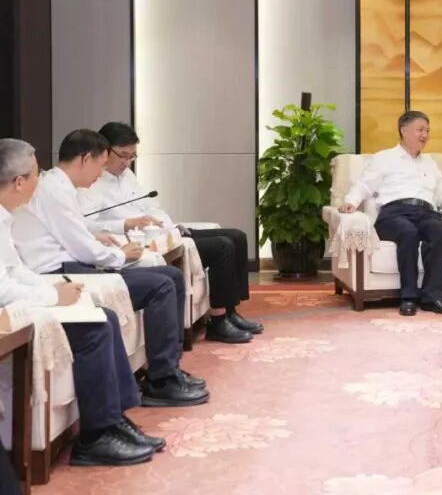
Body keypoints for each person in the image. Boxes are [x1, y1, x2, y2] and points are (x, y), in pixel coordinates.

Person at [11, 130, 208, 406]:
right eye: (100, 165)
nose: (101, 173)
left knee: (171, 276)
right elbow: (81, 247)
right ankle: (162, 379)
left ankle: (168, 368)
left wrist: (99, 240)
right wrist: (120, 255)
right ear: (85, 159)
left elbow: (75, 234)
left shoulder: (60, 188)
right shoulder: (53, 190)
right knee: (161, 285)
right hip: (61, 271)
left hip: (73, 264)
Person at [0, 138, 165, 466]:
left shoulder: (6, 216)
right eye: (36, 174)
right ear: (19, 182)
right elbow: (3, 290)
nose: (40, 180)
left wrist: (54, 288)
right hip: (9, 318)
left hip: (23, 299)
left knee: (103, 317)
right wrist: (52, 296)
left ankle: (114, 420)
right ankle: (95, 437)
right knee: (93, 329)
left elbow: (16, 270)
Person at [81, 122, 261, 343]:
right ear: (105, 151)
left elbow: (152, 206)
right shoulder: (92, 183)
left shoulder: (127, 176)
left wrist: (172, 226)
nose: (127, 163)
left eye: (132, 157)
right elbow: (87, 225)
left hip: (165, 234)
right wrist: (125, 223)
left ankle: (231, 311)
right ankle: (218, 321)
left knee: (238, 237)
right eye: (123, 156)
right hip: (142, 241)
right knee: (223, 246)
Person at [337, 111, 442, 316]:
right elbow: (364, 185)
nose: (425, 135)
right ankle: (409, 297)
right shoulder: (384, 158)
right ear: (404, 131)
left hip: (426, 213)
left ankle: (433, 297)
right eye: (420, 130)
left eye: (427, 131)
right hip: (393, 214)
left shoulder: (430, 163)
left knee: (439, 230)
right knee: (408, 232)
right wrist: (351, 202)